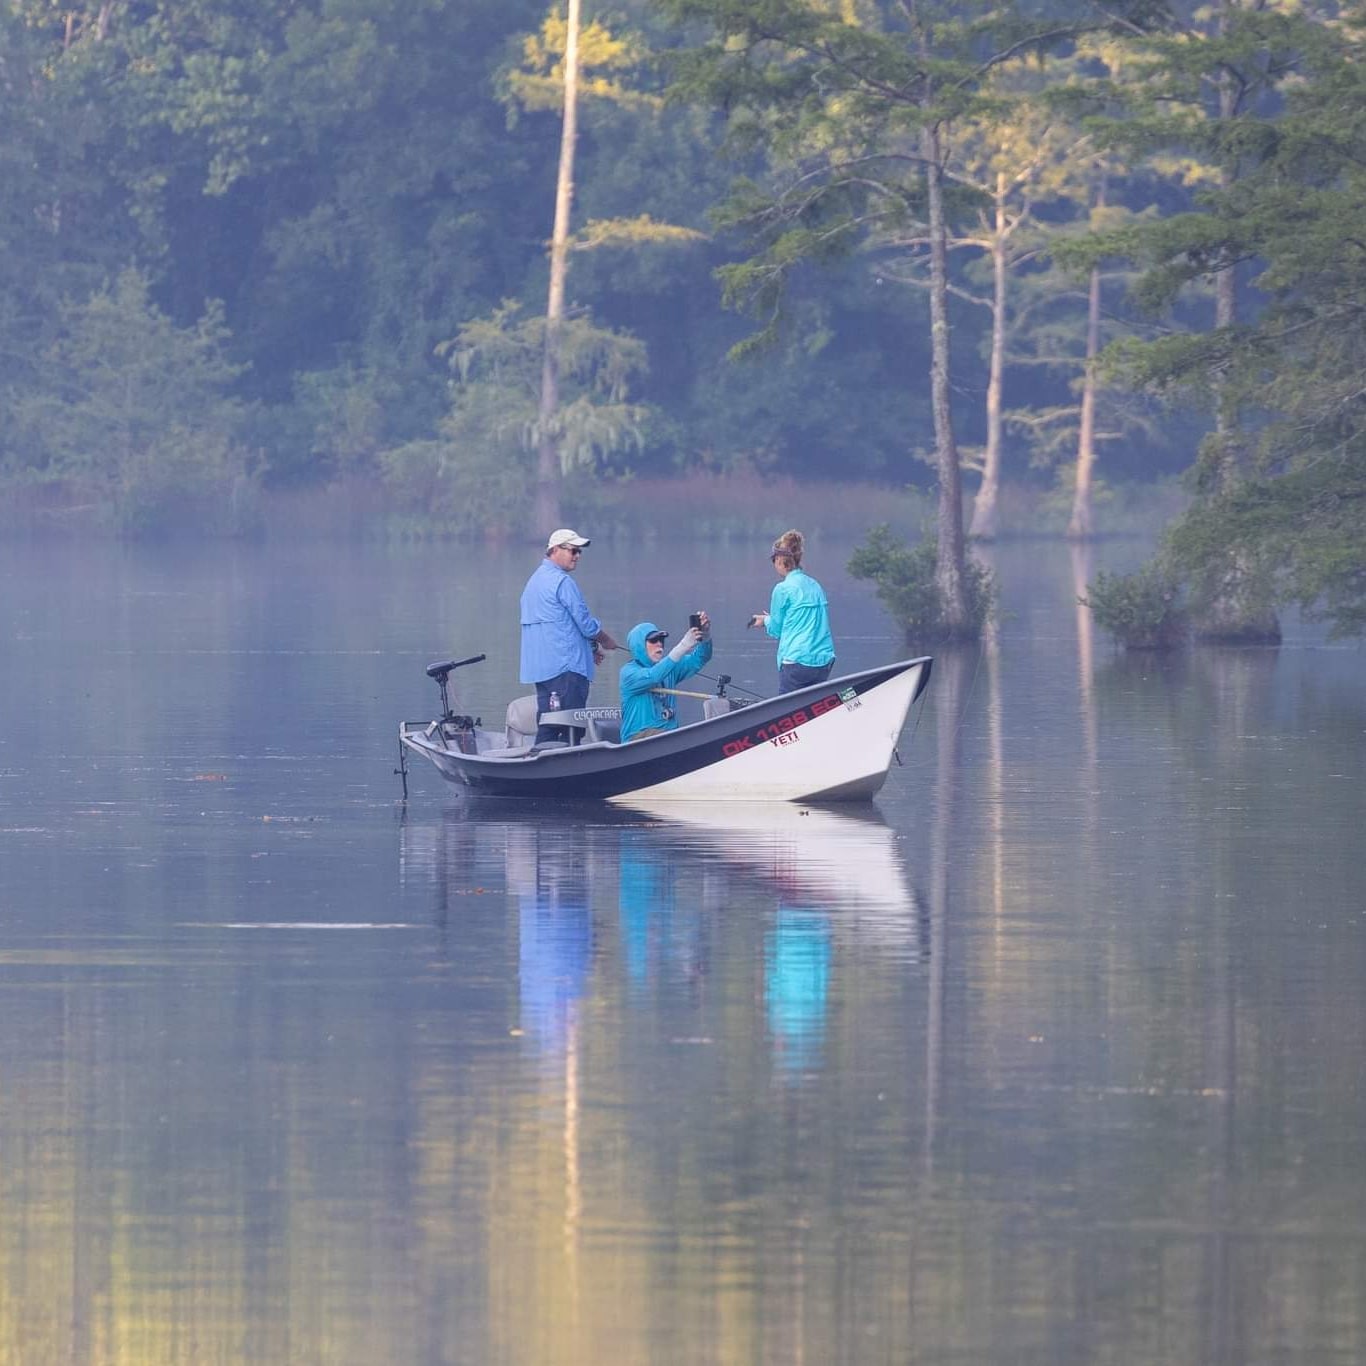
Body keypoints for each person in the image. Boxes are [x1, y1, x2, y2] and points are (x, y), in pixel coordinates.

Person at [520, 529, 619, 744]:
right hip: (566, 670)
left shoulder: (533, 582)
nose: (577, 556)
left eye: (579, 551)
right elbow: (585, 624)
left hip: (542, 671)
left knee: (547, 725)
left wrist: (590, 649)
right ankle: (567, 770)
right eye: (573, 550)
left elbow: (556, 626)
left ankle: (538, 769)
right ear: (555, 550)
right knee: (571, 728)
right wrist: (605, 640)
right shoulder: (563, 582)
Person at [748, 529, 835, 694]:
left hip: (796, 662)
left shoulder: (782, 589)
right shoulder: (815, 585)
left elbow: (776, 629)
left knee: (788, 710)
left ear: (780, 560)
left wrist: (765, 621)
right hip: (823, 661)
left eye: (774, 560)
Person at [618, 613, 712, 743]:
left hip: (669, 737)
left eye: (661, 640)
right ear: (639, 645)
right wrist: (684, 645)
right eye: (653, 640)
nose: (659, 644)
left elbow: (700, 658)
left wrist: (705, 635)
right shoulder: (628, 673)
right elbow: (653, 677)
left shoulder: (670, 666)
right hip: (637, 740)